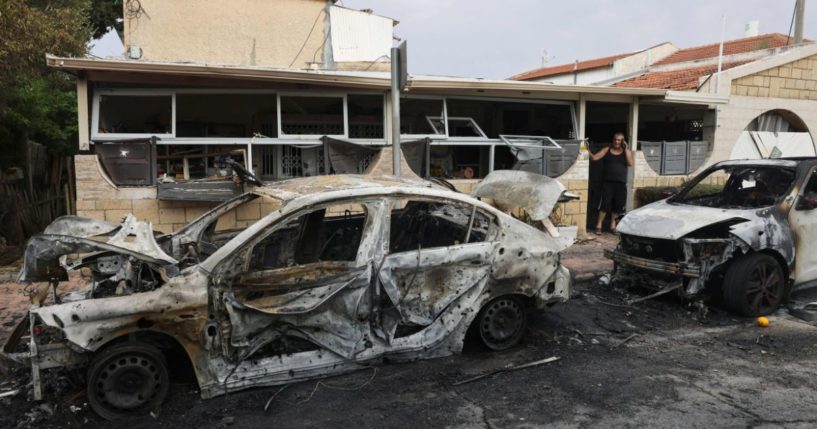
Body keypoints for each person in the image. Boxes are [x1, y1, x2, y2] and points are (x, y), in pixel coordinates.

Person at [590, 132, 633, 234]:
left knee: (617, 206)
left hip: (621, 183)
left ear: (623, 141)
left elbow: (630, 163)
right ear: (613, 140)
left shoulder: (627, 152)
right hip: (608, 183)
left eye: (619, 140)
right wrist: (586, 150)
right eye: (615, 139)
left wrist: (626, 148)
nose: (617, 142)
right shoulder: (607, 149)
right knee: (605, 204)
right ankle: (598, 226)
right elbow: (594, 158)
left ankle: (613, 226)